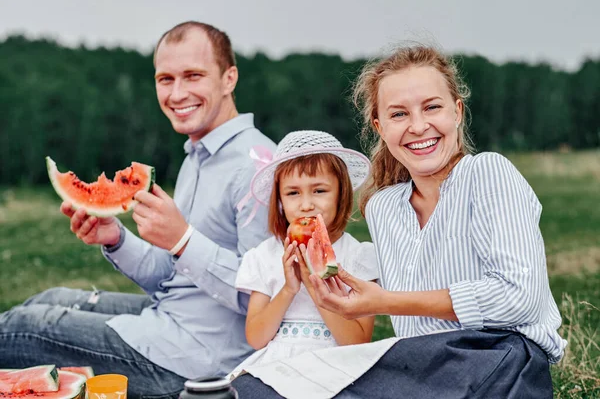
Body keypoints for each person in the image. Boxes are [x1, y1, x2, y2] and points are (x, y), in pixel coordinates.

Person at [238, 45, 568, 398]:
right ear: (380, 127)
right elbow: (411, 332)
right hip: (421, 365)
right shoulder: (383, 208)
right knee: (256, 388)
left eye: (432, 107)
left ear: (457, 111)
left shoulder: (487, 172)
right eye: (399, 114)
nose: (418, 125)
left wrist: (384, 301)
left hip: (500, 356)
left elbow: (519, 299)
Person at [0, 21, 275, 398]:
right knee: (50, 299)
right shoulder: (199, 154)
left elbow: (264, 299)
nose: (177, 93)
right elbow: (170, 277)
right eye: (165, 79)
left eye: (193, 76)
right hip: (170, 319)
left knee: (19, 327)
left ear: (229, 79)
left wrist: (182, 238)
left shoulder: (257, 167)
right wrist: (115, 238)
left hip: (199, 362)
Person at [228, 130, 378, 383]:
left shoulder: (358, 256)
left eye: (319, 191)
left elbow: (356, 341)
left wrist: (314, 283)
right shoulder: (264, 256)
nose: (306, 204)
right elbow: (256, 338)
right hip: (276, 366)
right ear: (279, 201)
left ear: (342, 194)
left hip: (335, 366)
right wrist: (289, 288)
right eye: (293, 193)